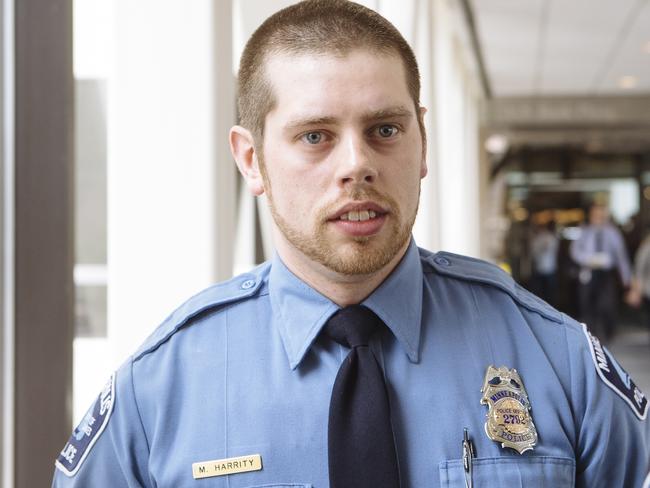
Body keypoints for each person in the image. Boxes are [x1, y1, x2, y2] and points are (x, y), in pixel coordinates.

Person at [53, 2, 649, 487]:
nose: (357, 165)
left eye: (384, 130)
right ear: (251, 159)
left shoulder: (557, 359)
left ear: (423, 143)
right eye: (315, 136)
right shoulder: (159, 390)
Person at [570, 203, 632, 342]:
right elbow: (574, 251)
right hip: (588, 272)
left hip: (606, 275)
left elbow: (621, 256)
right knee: (587, 306)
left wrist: (627, 279)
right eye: (596, 215)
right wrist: (588, 259)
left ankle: (608, 334)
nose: (598, 218)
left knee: (607, 306)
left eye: (601, 215)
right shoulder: (584, 231)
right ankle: (591, 337)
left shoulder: (613, 232)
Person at [529, 220, 559, 306]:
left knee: (549, 293)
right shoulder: (539, 237)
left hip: (549, 269)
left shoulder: (550, 237)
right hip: (541, 269)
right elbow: (534, 252)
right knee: (542, 293)